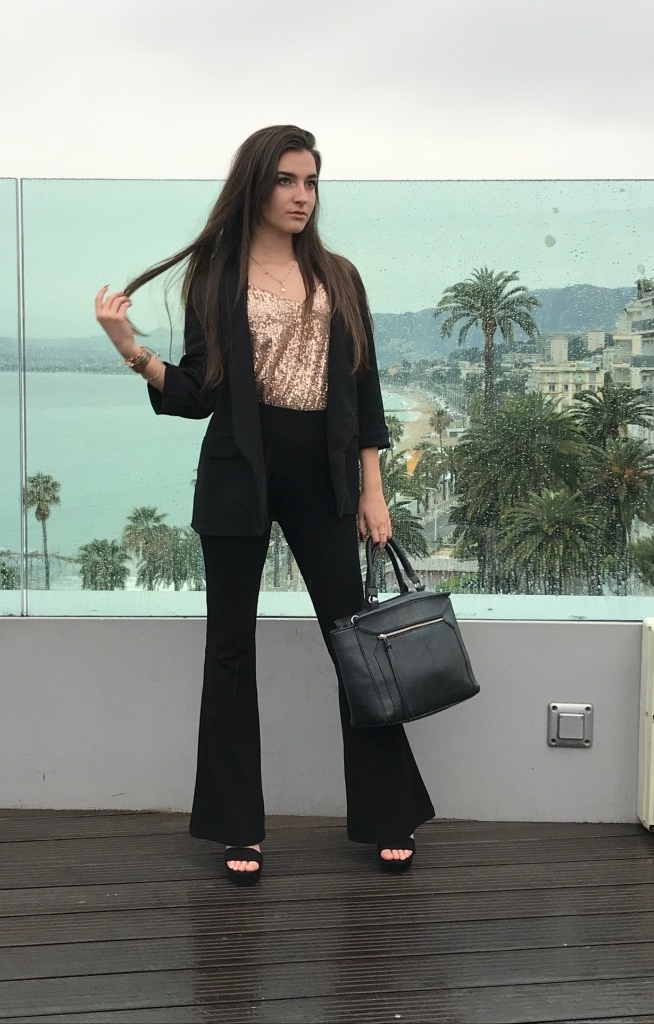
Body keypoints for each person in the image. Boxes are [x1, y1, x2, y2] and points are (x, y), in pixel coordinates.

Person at [95, 125, 435, 886]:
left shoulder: (339, 276)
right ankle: (235, 826)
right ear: (255, 185)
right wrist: (130, 349)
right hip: (238, 473)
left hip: (324, 474)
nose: (301, 195)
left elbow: (366, 388)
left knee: (354, 644)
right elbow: (198, 393)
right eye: (286, 179)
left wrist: (373, 491)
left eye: (310, 181)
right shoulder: (216, 277)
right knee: (229, 649)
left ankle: (388, 812)